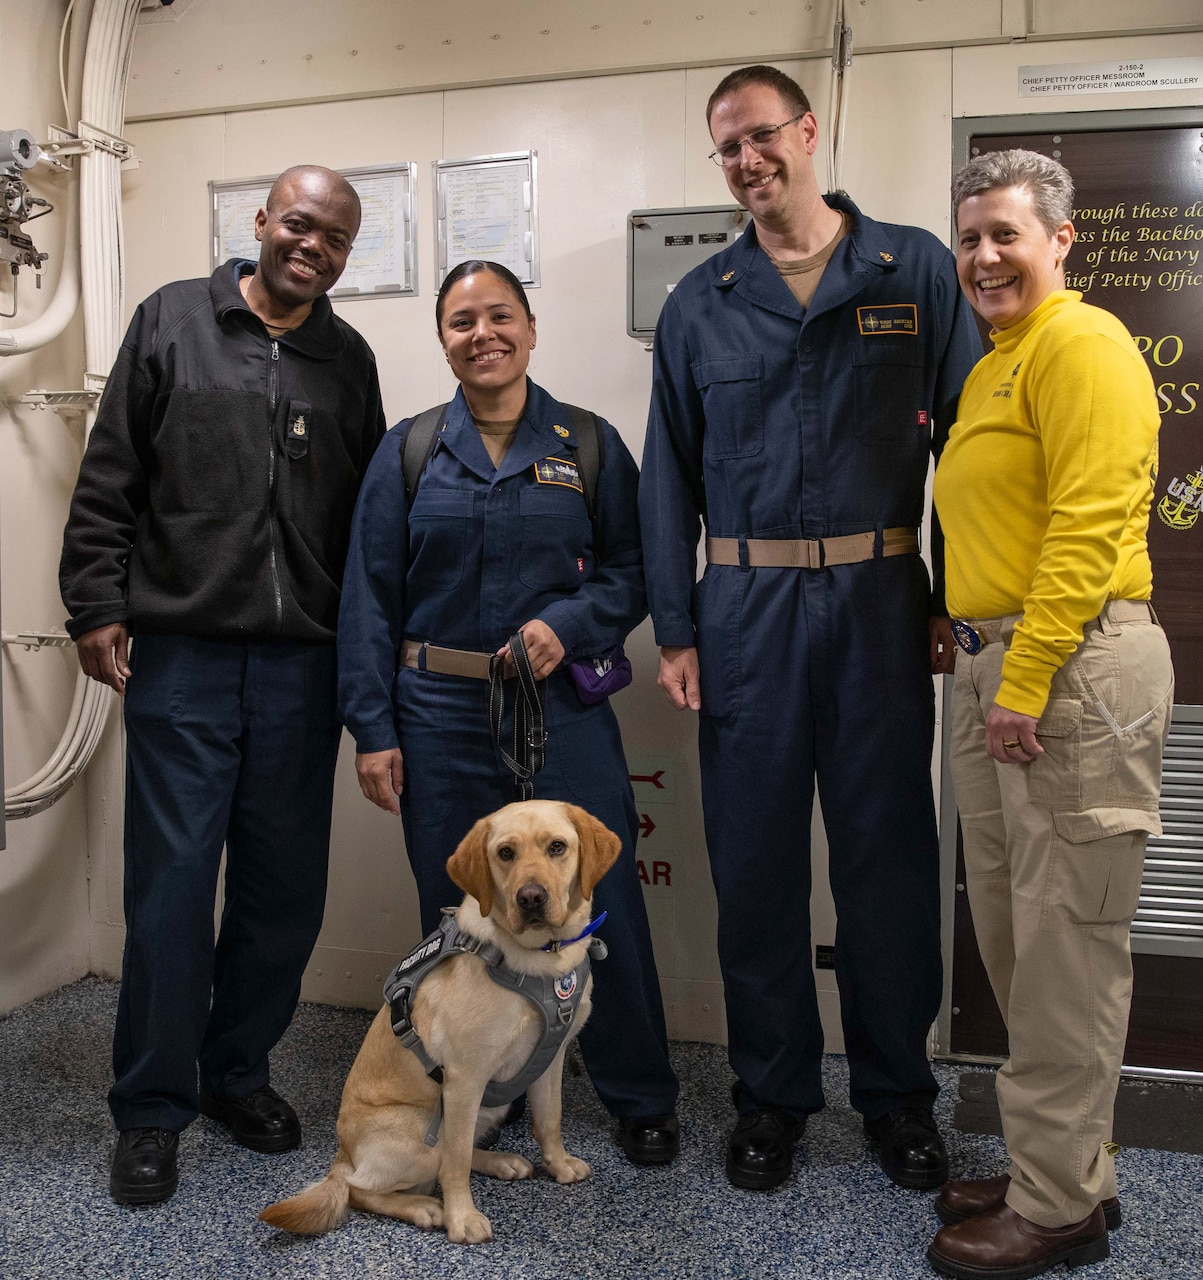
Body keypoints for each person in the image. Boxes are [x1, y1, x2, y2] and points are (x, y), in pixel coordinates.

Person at [638, 64, 982, 1193]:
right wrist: (677, 626)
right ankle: (771, 1095)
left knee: (889, 862)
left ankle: (896, 1098)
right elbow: (665, 480)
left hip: (882, 607)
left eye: (760, 137)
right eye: (725, 148)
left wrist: (949, 597)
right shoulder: (700, 301)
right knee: (755, 865)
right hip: (744, 620)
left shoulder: (912, 267)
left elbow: (968, 454)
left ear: (807, 130)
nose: (746, 161)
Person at [59, 165, 386, 1206]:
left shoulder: (348, 357)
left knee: (283, 897)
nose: (313, 247)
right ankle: (151, 1108)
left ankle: (231, 1070)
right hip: (185, 657)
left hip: (303, 664)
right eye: (299, 223)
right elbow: (111, 472)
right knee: (168, 893)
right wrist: (93, 603)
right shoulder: (171, 323)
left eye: (334, 238)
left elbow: (367, 523)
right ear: (259, 222)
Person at [337, 259, 680, 1165]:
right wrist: (372, 728)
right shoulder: (409, 449)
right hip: (437, 715)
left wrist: (569, 623)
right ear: (442, 338)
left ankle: (638, 1092)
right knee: (463, 916)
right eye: (461, 321)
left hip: (558, 709)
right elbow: (368, 598)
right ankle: (471, 1097)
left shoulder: (591, 444)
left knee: (597, 903)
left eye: (499, 317)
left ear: (531, 329)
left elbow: (634, 572)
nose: (482, 334)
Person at [927, 150, 1174, 1280]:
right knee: (1021, 947)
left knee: (1066, 950)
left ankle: (1059, 1205)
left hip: (1065, 668)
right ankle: (1061, 1165)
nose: (982, 256)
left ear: (1058, 239)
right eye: (968, 236)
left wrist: (1020, 678)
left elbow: (1086, 524)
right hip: (999, 667)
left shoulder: (1081, 344)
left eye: (1004, 235)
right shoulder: (993, 365)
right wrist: (964, 639)